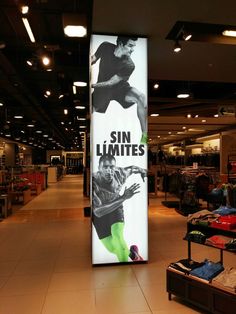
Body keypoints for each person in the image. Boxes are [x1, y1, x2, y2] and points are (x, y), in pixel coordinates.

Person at [91, 36, 147, 144]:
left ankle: (144, 136)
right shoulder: (105, 46)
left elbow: (110, 83)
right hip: (103, 90)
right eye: (130, 46)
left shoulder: (129, 65)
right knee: (92, 108)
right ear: (121, 44)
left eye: (133, 46)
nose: (132, 49)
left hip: (119, 88)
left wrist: (92, 86)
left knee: (141, 97)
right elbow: (93, 58)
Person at [92, 154, 147, 262]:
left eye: (111, 167)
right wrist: (123, 198)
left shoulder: (120, 173)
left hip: (116, 208)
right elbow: (98, 212)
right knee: (113, 249)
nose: (109, 170)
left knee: (118, 237)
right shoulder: (94, 182)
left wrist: (143, 171)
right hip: (100, 212)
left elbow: (134, 168)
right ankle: (133, 254)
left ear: (115, 167)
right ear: (99, 168)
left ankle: (124, 274)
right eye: (105, 167)